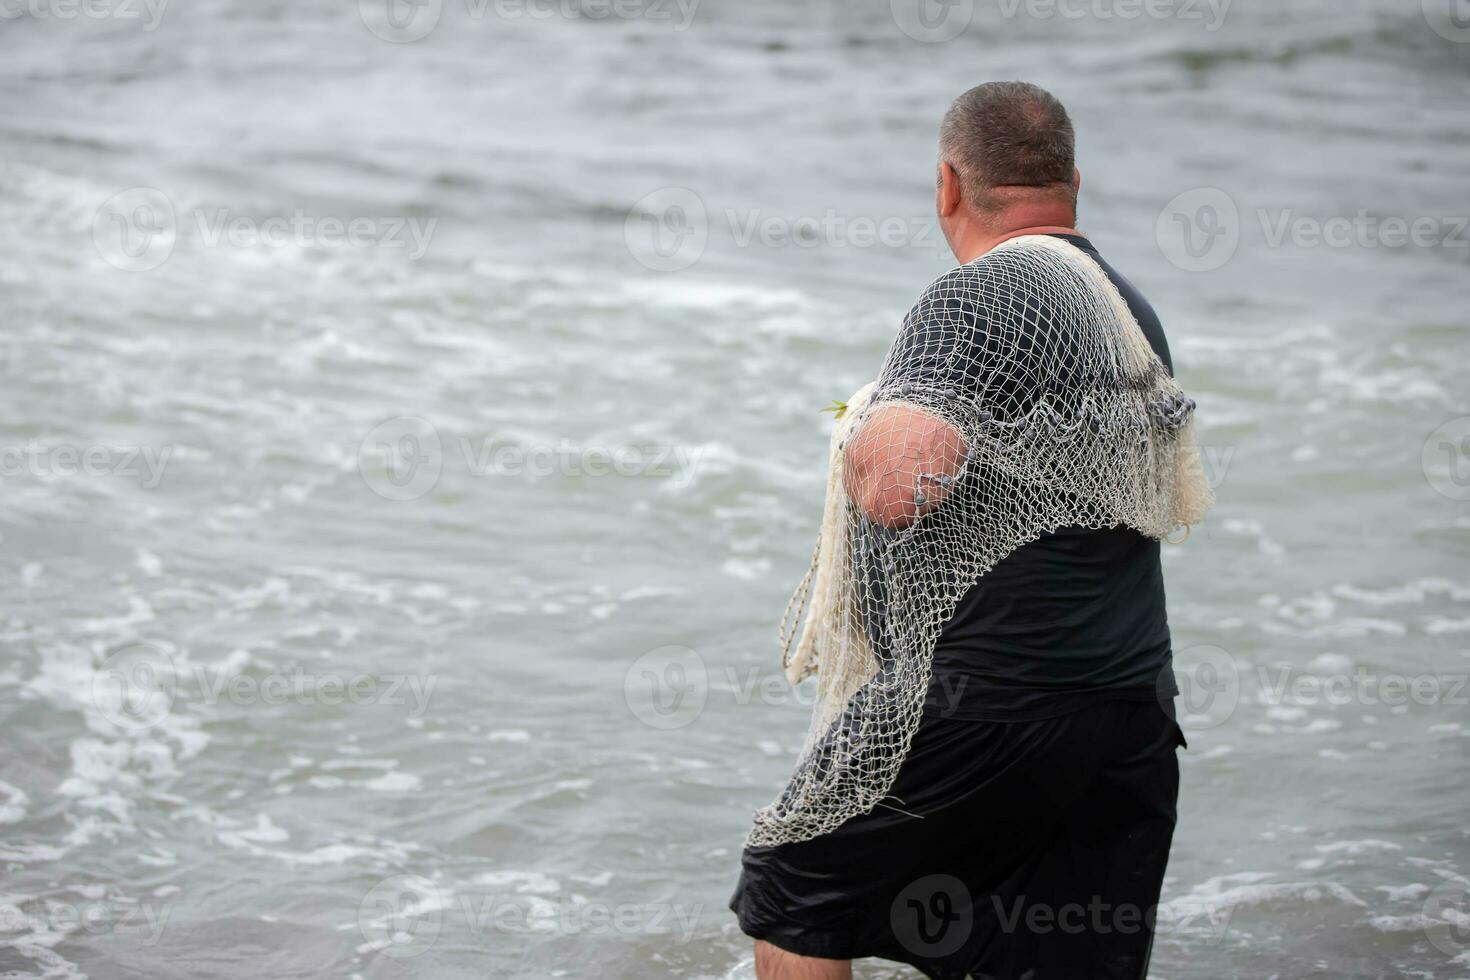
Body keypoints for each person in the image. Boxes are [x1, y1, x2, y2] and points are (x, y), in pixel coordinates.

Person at [730, 81, 1200, 980]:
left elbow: (903, 483)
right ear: (1072, 181)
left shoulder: (975, 299)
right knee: (1048, 954)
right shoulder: (1127, 308)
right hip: (1127, 714)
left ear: (949, 183)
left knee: (793, 898)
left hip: (978, 706)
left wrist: (864, 425)